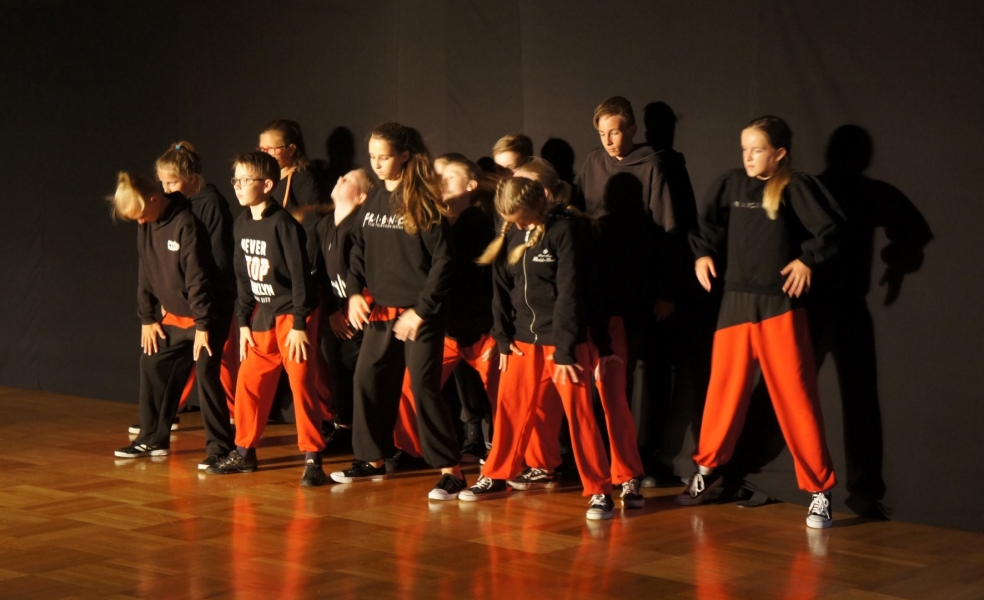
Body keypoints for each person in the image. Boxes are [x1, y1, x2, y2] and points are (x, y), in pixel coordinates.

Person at [678, 116, 842, 529]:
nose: (748, 157)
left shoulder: (794, 186)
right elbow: (705, 225)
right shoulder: (732, 184)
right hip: (735, 304)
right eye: (744, 149)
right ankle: (707, 471)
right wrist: (702, 253)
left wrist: (807, 260)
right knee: (723, 394)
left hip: (779, 307)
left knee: (796, 399)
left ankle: (819, 491)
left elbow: (830, 228)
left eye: (757, 149)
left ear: (779, 153)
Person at [459, 177, 615, 521]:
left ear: (540, 203)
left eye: (522, 218)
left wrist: (565, 350)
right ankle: (496, 475)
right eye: (511, 219)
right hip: (522, 343)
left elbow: (571, 292)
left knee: (581, 417)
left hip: (564, 343)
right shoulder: (511, 233)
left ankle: (599, 490)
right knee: (508, 411)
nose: (518, 224)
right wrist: (503, 339)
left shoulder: (564, 231)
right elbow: (501, 290)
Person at [328, 123, 465, 501]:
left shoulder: (423, 200)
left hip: (419, 314)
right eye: (372, 157)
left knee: (422, 387)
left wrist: (421, 311)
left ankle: (451, 471)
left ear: (404, 156)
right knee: (366, 379)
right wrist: (354, 293)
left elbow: (444, 262)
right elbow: (358, 249)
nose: (376, 164)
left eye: (384, 157)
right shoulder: (374, 199)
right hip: (382, 311)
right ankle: (372, 459)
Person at [510, 159, 648, 509]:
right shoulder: (531, 231)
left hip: (600, 326)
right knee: (544, 399)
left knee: (611, 399)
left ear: (542, 193)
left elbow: (591, 289)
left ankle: (628, 477)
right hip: (563, 331)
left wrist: (601, 340)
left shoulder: (580, 228)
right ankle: (543, 465)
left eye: (523, 187)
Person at [205, 151, 327, 487]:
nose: (237, 186)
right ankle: (244, 452)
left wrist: (300, 324)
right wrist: (244, 321)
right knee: (249, 382)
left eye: (245, 180)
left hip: (293, 316)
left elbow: (301, 278)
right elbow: (242, 276)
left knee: (301, 383)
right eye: (235, 180)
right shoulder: (242, 222)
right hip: (264, 315)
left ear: (268, 185)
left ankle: (313, 458)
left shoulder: (283, 225)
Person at [391, 156, 499, 464]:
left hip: (482, 332)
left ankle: (508, 458)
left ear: (471, 185)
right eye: (436, 176)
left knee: (504, 396)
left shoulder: (482, 225)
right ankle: (411, 450)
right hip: (447, 330)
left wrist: (498, 332)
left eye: (449, 176)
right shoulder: (430, 223)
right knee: (412, 387)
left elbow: (489, 283)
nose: (439, 182)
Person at [107, 172, 219, 461]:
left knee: (207, 377)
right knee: (152, 361)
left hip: (205, 316)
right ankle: (152, 440)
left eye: (141, 215)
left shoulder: (186, 223)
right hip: (174, 316)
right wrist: (147, 317)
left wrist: (203, 325)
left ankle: (220, 450)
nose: (140, 222)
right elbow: (146, 271)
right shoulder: (146, 226)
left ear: (154, 199)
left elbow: (198, 278)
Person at [154, 142, 238, 469]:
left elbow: (217, 260)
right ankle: (153, 433)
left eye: (172, 182)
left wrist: (201, 305)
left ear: (191, 178)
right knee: (159, 360)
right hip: (185, 302)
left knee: (207, 370)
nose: (166, 190)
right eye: (162, 183)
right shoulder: (175, 207)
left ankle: (220, 445)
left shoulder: (211, 205)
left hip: (211, 302)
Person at [317, 168, 374, 454]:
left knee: (357, 372)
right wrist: (331, 312)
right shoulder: (324, 225)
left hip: (360, 311)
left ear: (362, 196)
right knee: (337, 370)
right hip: (335, 310)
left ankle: (366, 433)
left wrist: (355, 303)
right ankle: (345, 427)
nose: (339, 179)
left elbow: (367, 271)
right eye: (341, 176)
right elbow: (318, 272)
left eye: (349, 179)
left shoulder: (362, 226)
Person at [259, 119, 322, 210]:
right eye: (262, 149)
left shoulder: (303, 181)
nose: (265, 154)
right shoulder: (262, 179)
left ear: (291, 150)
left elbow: (310, 217)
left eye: (271, 149)